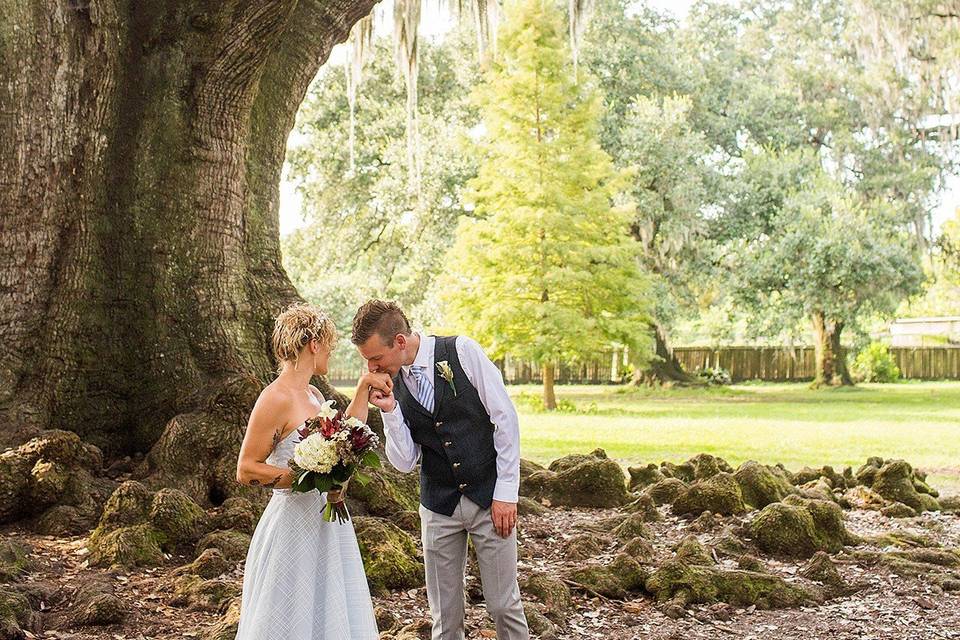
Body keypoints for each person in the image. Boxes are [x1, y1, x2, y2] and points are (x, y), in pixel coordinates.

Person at [351, 299, 529, 640]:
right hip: (438, 507)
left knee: (503, 605)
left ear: (400, 342)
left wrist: (506, 493)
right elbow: (404, 462)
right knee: (444, 618)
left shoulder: (462, 351)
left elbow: (504, 419)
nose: (371, 369)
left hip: (489, 499)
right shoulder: (392, 385)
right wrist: (389, 411)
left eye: (376, 359)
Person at [235, 303, 390, 639]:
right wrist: (306, 476)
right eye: (329, 344)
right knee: (290, 615)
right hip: (292, 524)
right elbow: (246, 469)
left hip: (327, 525)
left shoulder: (314, 393)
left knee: (328, 612)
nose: (331, 352)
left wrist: (363, 389)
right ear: (314, 344)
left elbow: (342, 436)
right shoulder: (274, 398)